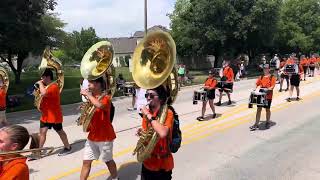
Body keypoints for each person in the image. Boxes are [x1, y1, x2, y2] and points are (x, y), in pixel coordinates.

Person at [80, 77, 118, 180]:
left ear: (98, 84)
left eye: (90, 83)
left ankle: (115, 178)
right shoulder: (91, 98)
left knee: (108, 161)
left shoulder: (106, 97)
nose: (88, 85)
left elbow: (100, 105)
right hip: (92, 136)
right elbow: (89, 115)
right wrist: (83, 110)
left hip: (105, 136)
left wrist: (88, 95)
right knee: (86, 162)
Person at [138, 85, 174, 180]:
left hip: (162, 166)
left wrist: (148, 115)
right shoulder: (148, 113)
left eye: (152, 95)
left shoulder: (168, 113)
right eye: (147, 95)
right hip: (148, 162)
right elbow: (147, 134)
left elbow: (162, 133)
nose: (148, 98)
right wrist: (141, 133)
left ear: (161, 98)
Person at [36, 68, 72, 156]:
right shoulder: (46, 86)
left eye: (43, 77)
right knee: (42, 132)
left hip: (54, 116)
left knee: (60, 132)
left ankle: (68, 147)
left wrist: (40, 84)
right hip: (45, 115)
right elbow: (42, 95)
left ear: (48, 77)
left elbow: (44, 93)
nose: (41, 79)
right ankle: (38, 152)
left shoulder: (54, 86)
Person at [250, 64, 276, 131]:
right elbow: (256, 83)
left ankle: (267, 122)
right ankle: (256, 124)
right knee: (259, 109)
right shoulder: (261, 77)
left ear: (269, 69)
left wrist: (268, 89)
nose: (265, 69)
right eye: (264, 68)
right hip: (261, 95)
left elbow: (273, 86)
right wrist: (254, 88)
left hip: (268, 95)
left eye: (266, 68)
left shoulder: (272, 77)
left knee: (267, 109)